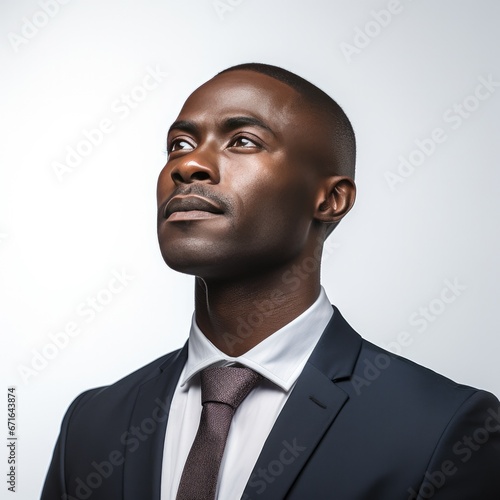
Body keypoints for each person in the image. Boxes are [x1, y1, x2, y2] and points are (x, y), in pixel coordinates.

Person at [42, 63, 500, 500]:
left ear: (331, 199)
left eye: (242, 140)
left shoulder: (443, 428)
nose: (188, 166)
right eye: (179, 144)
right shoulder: (92, 423)